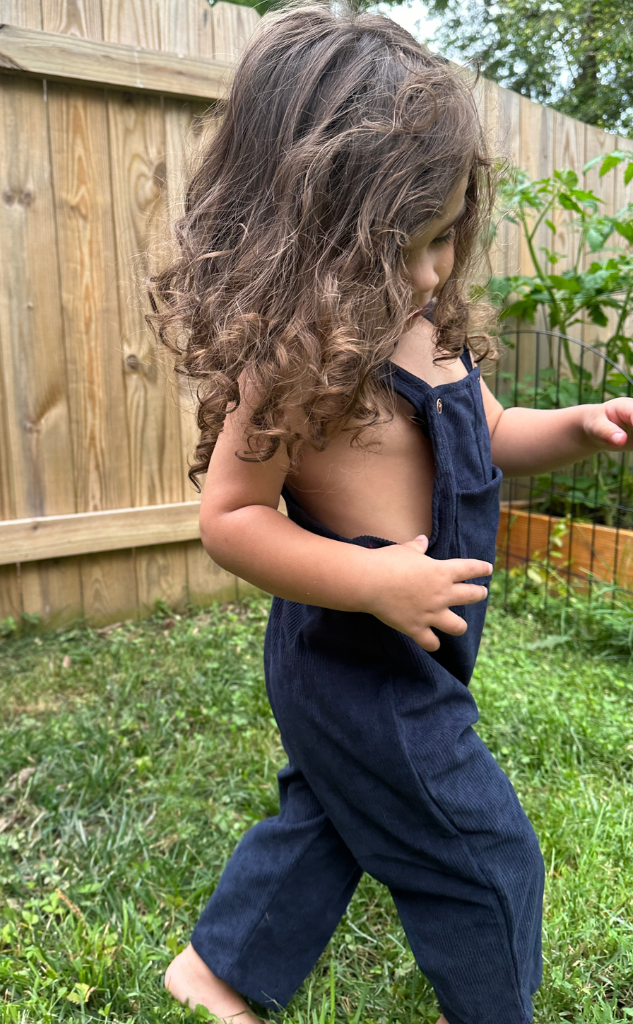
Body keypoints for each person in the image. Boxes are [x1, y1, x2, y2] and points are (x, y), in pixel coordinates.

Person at [146, 3, 633, 1022]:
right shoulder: (290, 356)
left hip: (415, 642)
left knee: (334, 810)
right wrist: (374, 579)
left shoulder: (429, 325)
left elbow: (487, 434)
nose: (429, 272)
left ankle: (217, 974)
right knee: (486, 850)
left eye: (445, 236)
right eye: (402, 247)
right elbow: (230, 517)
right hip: (355, 659)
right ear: (309, 230)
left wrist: (577, 426)